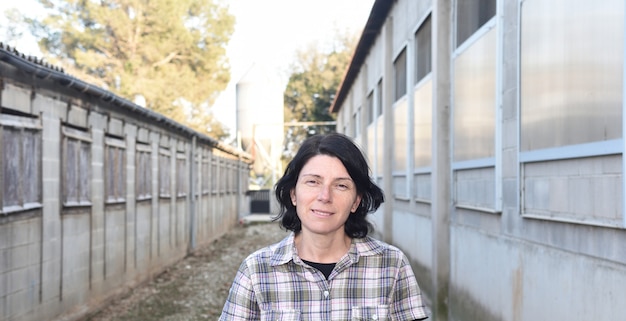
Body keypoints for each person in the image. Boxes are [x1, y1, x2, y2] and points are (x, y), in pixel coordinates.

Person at [219, 133, 428, 320]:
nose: (325, 196)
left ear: (356, 201)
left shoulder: (392, 265)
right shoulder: (256, 271)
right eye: (313, 182)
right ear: (293, 194)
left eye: (341, 185)